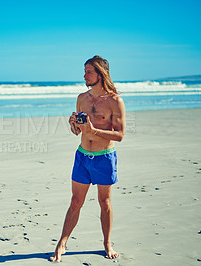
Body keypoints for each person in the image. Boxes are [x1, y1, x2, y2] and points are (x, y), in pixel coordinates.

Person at [50, 55, 126, 262]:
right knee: (75, 201)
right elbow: (77, 132)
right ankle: (62, 244)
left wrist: (94, 130)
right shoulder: (82, 98)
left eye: (88, 71)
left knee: (104, 202)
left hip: (104, 158)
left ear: (100, 74)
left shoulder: (115, 101)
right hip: (83, 156)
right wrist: (73, 125)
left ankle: (107, 244)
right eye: (84, 71)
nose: (84, 75)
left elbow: (119, 135)